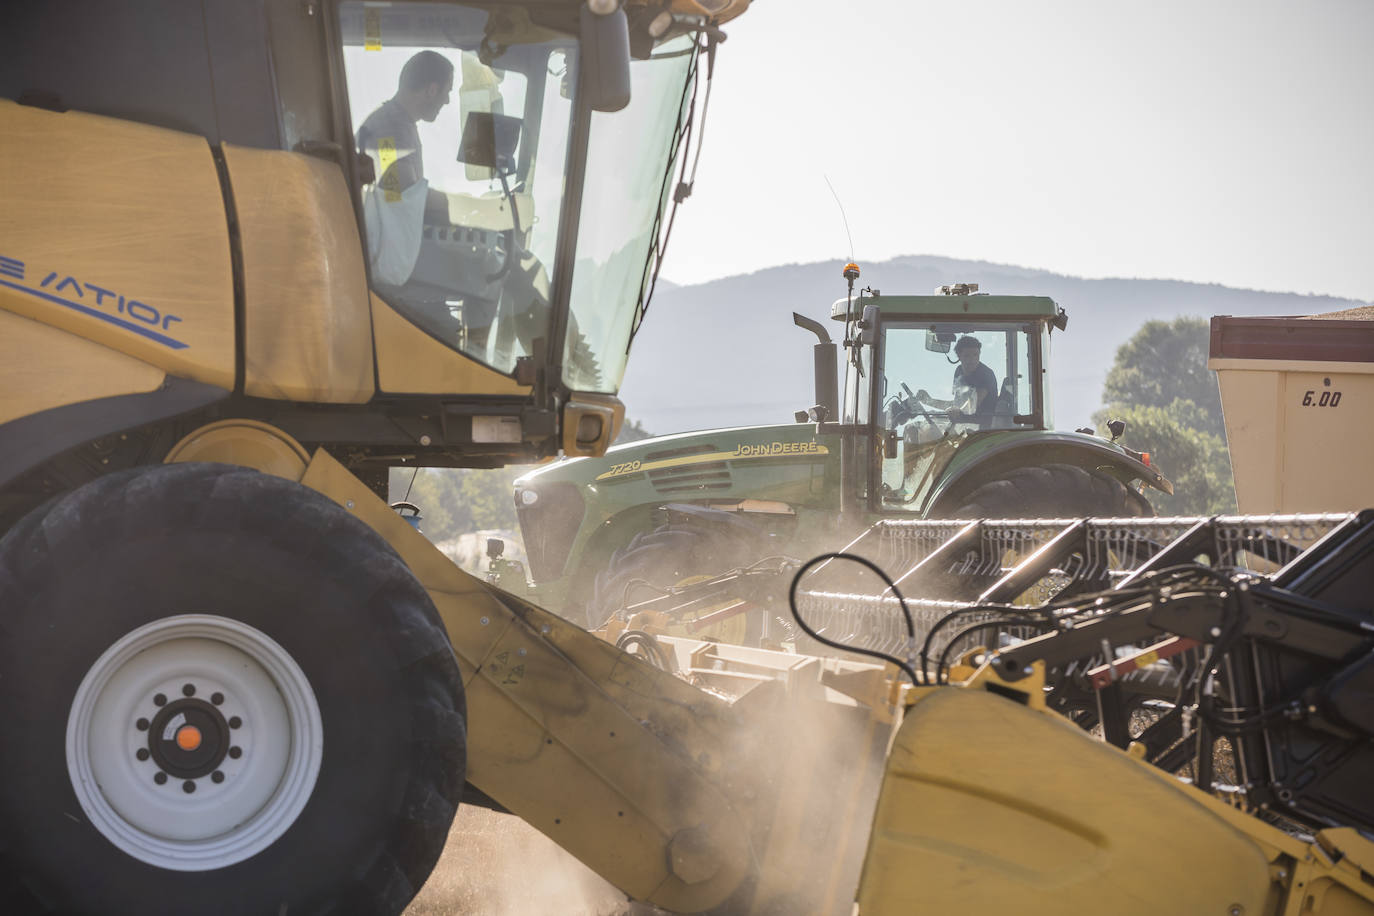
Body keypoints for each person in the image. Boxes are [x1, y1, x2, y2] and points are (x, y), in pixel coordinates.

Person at [355, 50, 454, 285]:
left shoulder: (394, 122)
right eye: (447, 92)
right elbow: (398, 189)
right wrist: (473, 209)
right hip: (380, 271)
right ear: (431, 90)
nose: (448, 100)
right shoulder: (390, 127)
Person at [915, 335, 998, 426]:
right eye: (967, 356)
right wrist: (928, 401)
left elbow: (971, 405)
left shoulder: (986, 374)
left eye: (975, 355)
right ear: (959, 356)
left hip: (981, 428)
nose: (972, 360)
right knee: (915, 428)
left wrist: (952, 411)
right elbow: (956, 404)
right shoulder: (959, 371)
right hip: (960, 424)